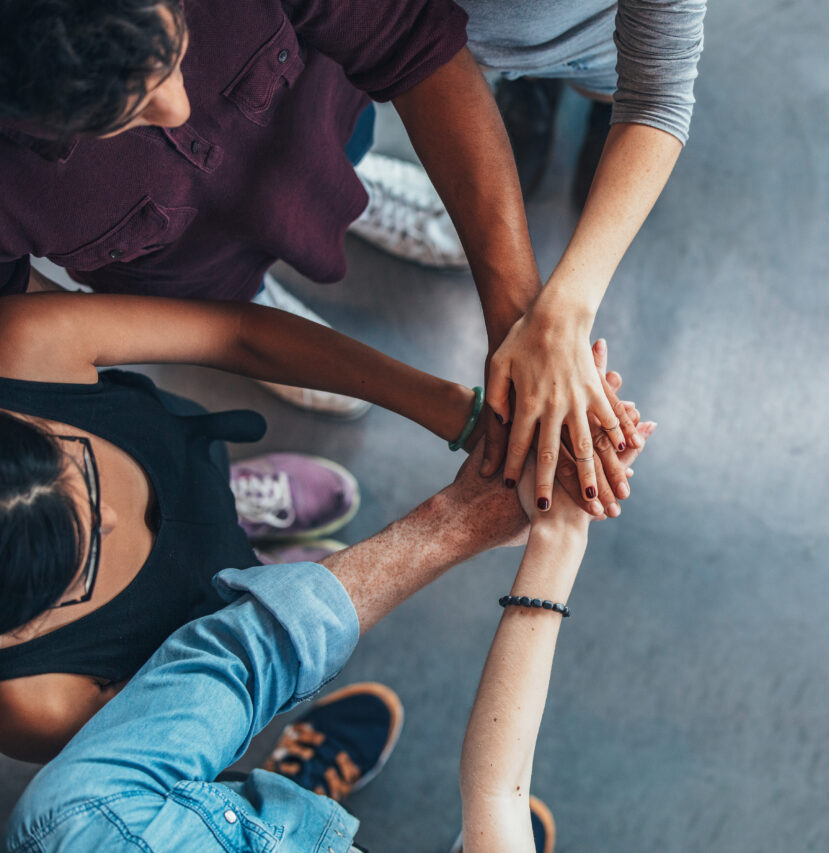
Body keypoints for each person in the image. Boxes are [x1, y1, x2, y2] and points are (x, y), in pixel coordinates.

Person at [0, 0, 645, 511]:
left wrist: (519, 322)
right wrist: (459, 412)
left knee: (344, 154)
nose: (179, 105)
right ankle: (266, 293)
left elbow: (409, 45)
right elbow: (203, 333)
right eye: (124, 112)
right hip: (182, 275)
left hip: (315, 117)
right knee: (223, 298)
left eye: (176, 46)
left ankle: (354, 192)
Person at [0, 289, 637, 763]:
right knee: (247, 617)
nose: (109, 512)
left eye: (69, 466)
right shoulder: (39, 703)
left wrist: (460, 416)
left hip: (184, 461)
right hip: (199, 624)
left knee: (204, 490)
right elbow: (226, 686)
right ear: (18, 630)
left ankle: (241, 514)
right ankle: (260, 585)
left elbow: (237, 332)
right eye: (79, 561)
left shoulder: (23, 347)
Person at [3, 417, 654, 852]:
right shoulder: (74, 817)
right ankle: (293, 797)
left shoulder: (82, 818)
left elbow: (495, 796)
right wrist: (555, 533)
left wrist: (536, 533)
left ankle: (291, 795)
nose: (110, 516)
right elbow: (493, 796)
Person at [352, 0, 706, 504]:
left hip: (596, 47)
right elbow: (413, 39)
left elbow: (656, 94)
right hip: (470, 51)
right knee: (510, 90)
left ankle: (595, 110)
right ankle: (532, 96)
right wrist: (527, 327)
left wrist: (562, 314)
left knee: (609, 87)